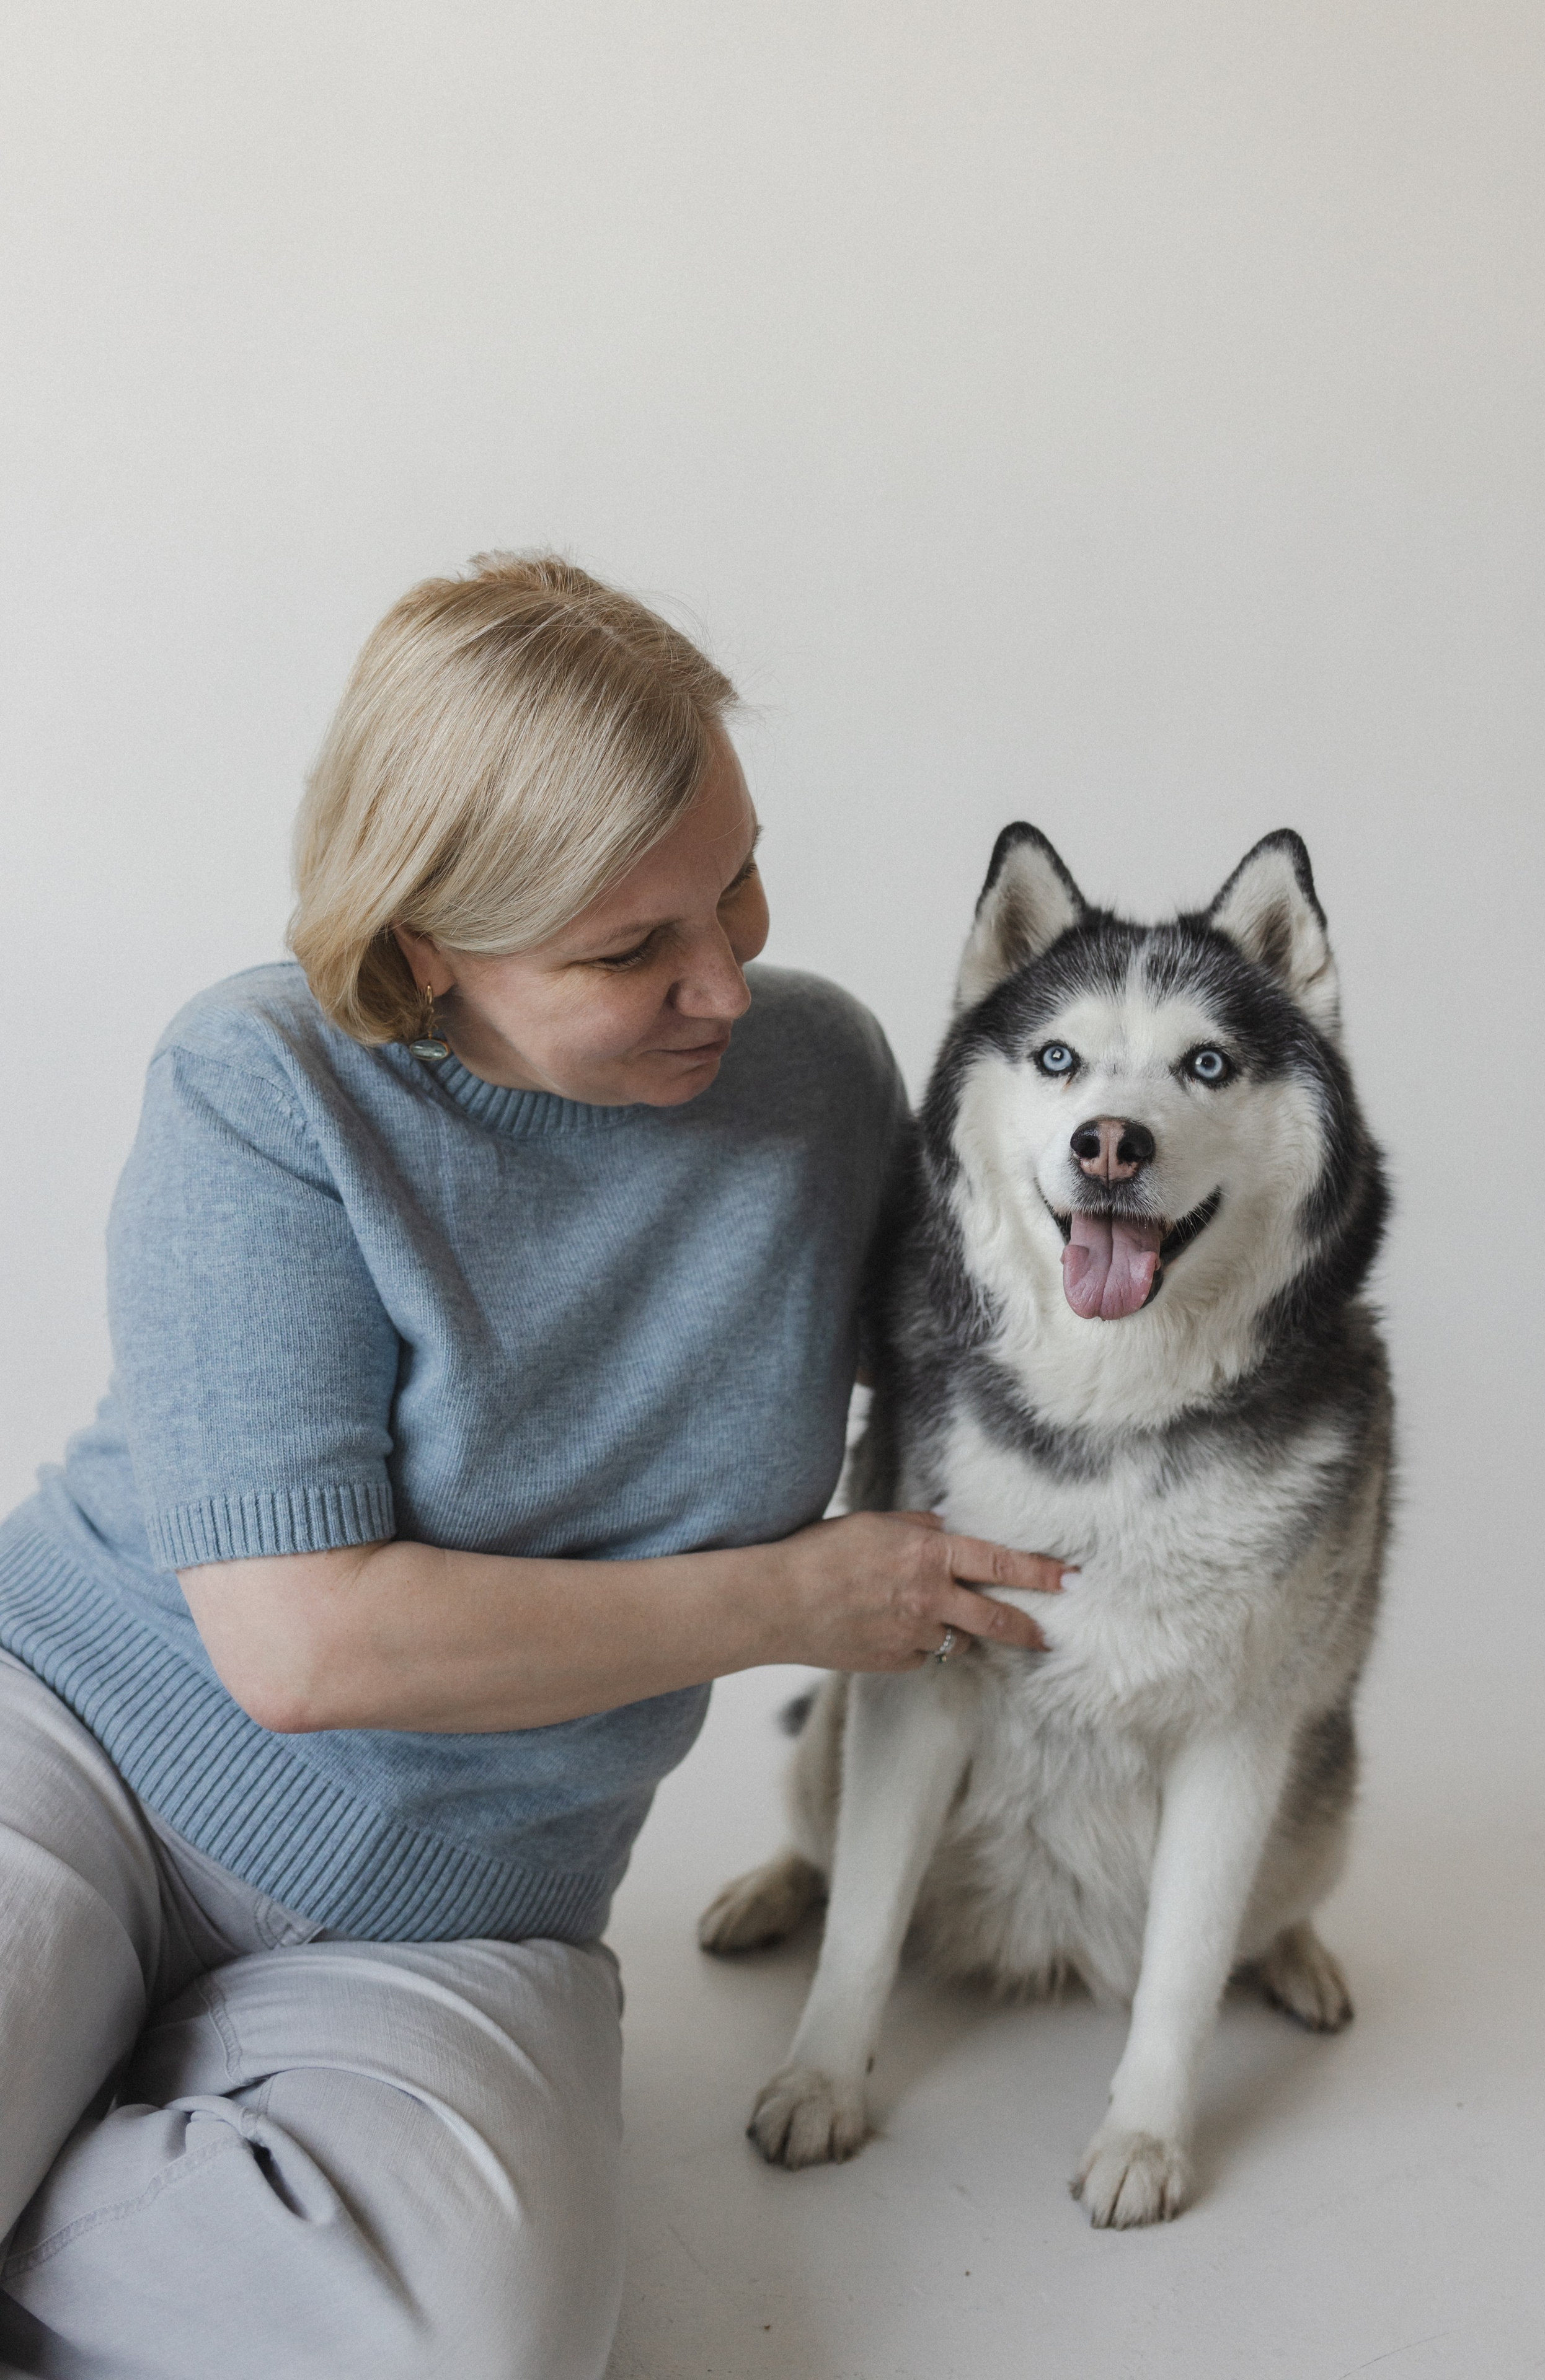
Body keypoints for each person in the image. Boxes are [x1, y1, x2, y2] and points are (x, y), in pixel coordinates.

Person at [0, 553, 1068, 2380]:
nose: (724, 981)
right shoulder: (262, 1086)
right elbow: (303, 1653)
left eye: (734, 880)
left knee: (473, 2348)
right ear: (428, 944)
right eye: (628, 949)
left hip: (470, 1897)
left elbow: (1014, 1360)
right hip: (90, 1743)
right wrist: (789, 1601)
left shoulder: (816, 1079)